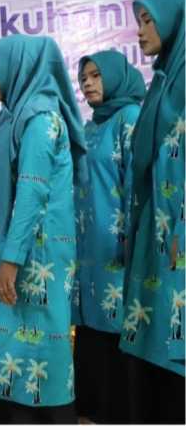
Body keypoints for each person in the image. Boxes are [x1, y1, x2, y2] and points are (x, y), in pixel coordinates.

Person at [0, 34, 87, 424]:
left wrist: (11, 259)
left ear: (15, 67)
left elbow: (31, 193)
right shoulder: (12, 116)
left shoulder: (40, 119)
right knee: (6, 346)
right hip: (13, 252)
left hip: (33, 258)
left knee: (39, 349)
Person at [120, 0, 185, 424]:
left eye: (149, 20)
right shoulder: (164, 79)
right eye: (139, 21)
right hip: (156, 233)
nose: (141, 32)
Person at [72, 49, 144, 423]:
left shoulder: (128, 118)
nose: (88, 83)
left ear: (115, 75)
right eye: (84, 77)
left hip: (117, 250)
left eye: (97, 75)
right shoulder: (90, 127)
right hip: (87, 252)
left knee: (115, 328)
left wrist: (132, 243)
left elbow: (135, 185)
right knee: (90, 329)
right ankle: (94, 412)